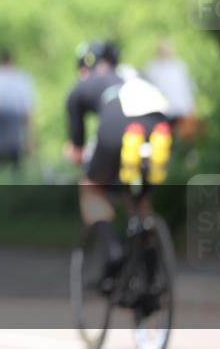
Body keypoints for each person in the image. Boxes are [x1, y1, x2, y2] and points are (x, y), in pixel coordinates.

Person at [64, 41, 171, 275]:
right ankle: (151, 271)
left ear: (84, 68)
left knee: (90, 187)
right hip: (160, 123)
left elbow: (78, 148)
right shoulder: (133, 74)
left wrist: (76, 152)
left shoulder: (84, 84)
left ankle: (115, 250)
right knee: (139, 193)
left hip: (117, 123)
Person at [0, 49, 36, 169]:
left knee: (12, 154)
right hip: (2, 119)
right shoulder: (19, 77)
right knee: (2, 155)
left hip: (11, 119)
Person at [144, 40, 198, 140]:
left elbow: (187, 89)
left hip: (174, 112)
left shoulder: (178, 67)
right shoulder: (153, 68)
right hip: (169, 112)